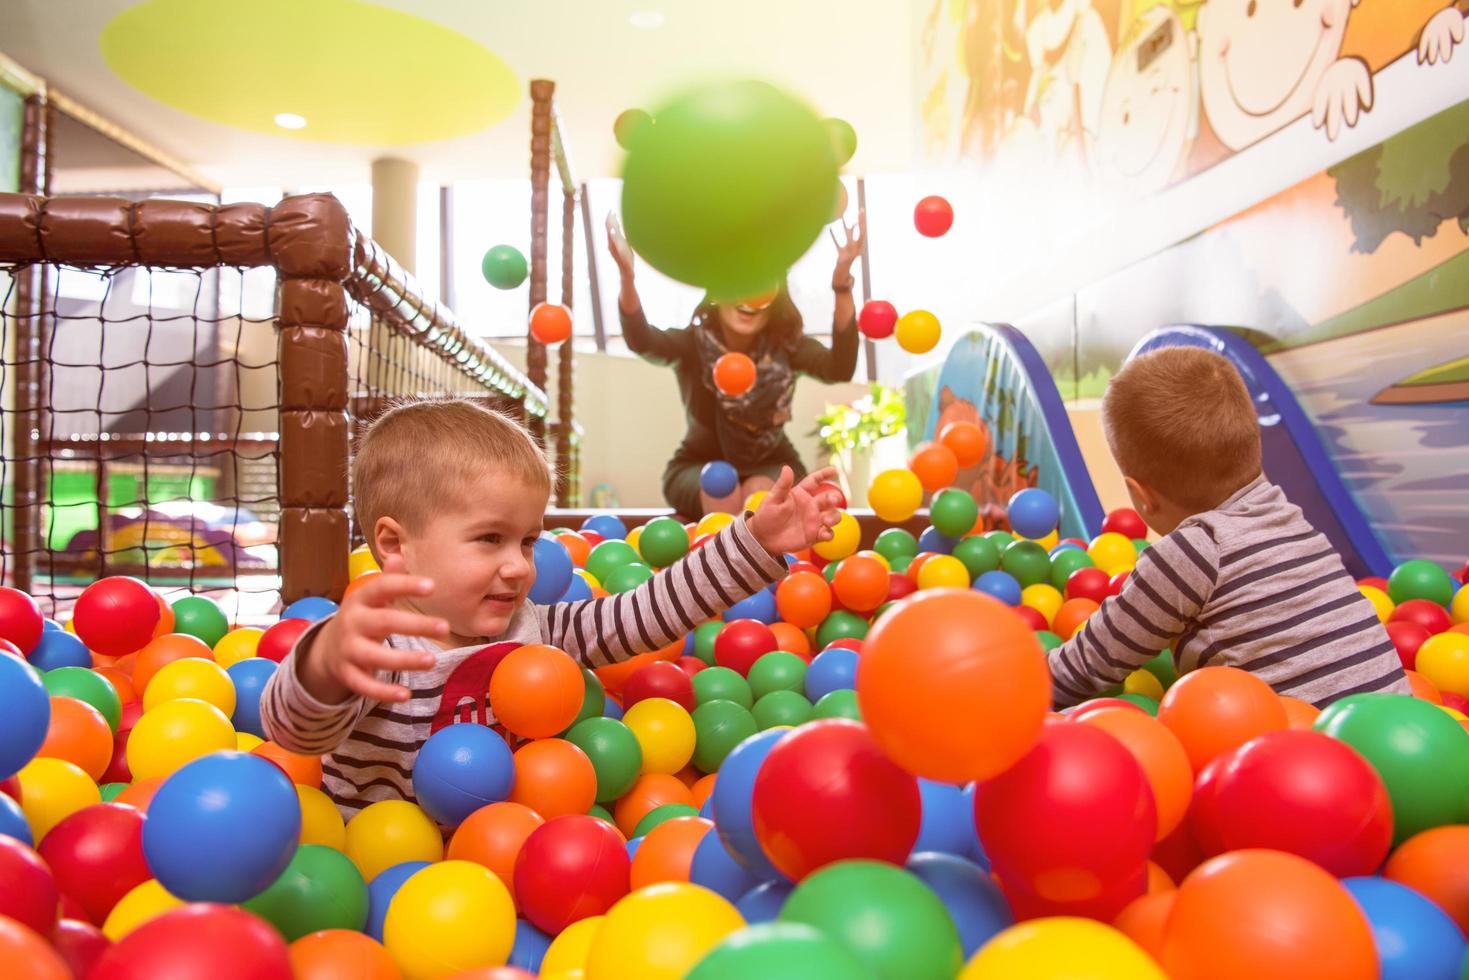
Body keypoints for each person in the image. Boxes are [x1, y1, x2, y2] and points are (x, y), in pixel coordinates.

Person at [259, 398, 841, 816]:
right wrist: (324, 663)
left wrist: (755, 542)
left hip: (513, 848)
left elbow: (650, 610)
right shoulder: (380, 647)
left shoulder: (534, 627)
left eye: (528, 541)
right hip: (378, 868)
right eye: (489, 539)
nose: (518, 566)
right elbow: (294, 730)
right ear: (395, 546)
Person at [1047, 347, 1410, 708]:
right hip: (1402, 729)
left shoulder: (1193, 551)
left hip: (1305, 754)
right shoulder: (1291, 520)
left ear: (1141, 496)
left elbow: (1086, 667)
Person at [609, 215, 864, 520]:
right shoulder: (693, 343)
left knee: (759, 492)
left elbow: (840, 367)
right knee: (721, 484)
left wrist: (841, 285)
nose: (747, 298)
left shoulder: (786, 346)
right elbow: (642, 340)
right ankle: (725, 564)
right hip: (697, 465)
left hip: (772, 463)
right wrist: (627, 277)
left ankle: (750, 562)